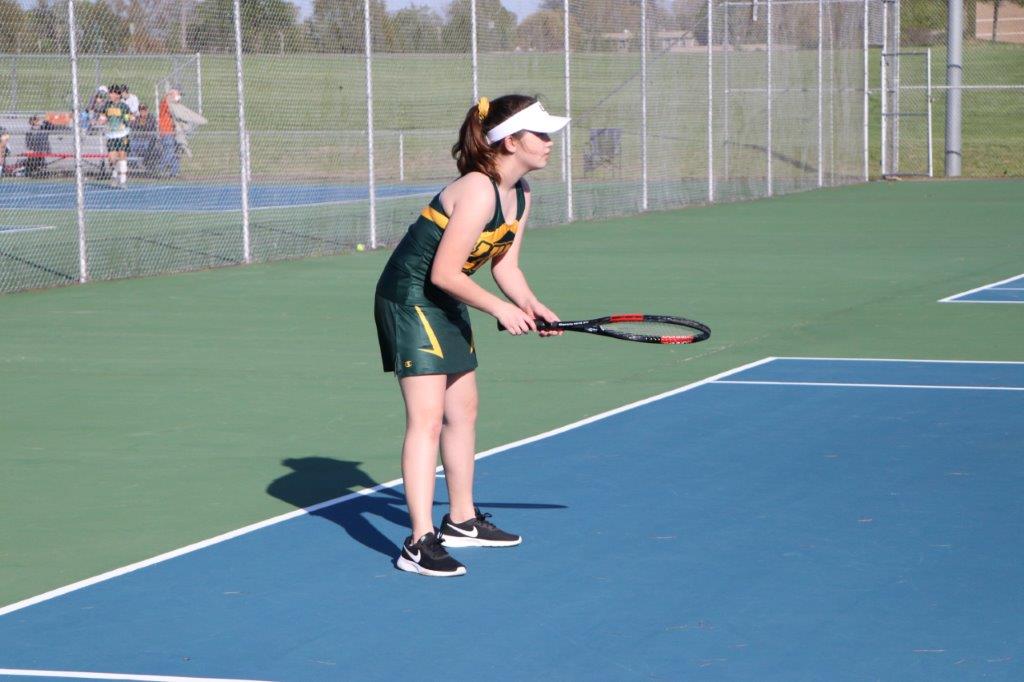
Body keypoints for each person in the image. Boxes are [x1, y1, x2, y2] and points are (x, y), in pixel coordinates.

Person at [374, 94, 569, 578]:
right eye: (541, 134)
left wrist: (532, 305)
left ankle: (461, 521)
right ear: (510, 141)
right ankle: (418, 542)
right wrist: (500, 309)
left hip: (445, 296)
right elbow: (443, 272)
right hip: (410, 297)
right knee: (426, 419)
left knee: (463, 411)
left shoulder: (520, 193)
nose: (550, 142)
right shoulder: (478, 190)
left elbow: (506, 266)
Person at [100, 85, 133, 188]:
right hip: (111, 135)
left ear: (118, 95)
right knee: (112, 159)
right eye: (110, 93)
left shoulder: (124, 106)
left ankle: (123, 180)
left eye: (112, 93)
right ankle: (114, 174)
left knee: (122, 156)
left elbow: (128, 118)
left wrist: (129, 119)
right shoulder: (107, 105)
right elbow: (103, 117)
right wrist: (101, 120)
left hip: (122, 135)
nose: (110, 95)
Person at [157, 90, 180, 177]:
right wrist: (171, 96)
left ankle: (175, 172)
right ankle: (159, 170)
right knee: (169, 152)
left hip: (173, 133)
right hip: (166, 132)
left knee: (174, 153)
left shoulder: (171, 106)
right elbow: (168, 103)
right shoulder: (165, 104)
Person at [129, 104, 157, 172]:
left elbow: (149, 127)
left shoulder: (151, 117)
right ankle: (136, 165)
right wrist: (134, 122)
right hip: (137, 139)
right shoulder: (137, 118)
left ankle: (145, 164)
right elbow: (132, 126)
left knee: (147, 147)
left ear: (147, 110)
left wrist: (141, 124)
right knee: (131, 145)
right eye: (141, 111)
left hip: (147, 140)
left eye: (145, 110)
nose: (143, 112)